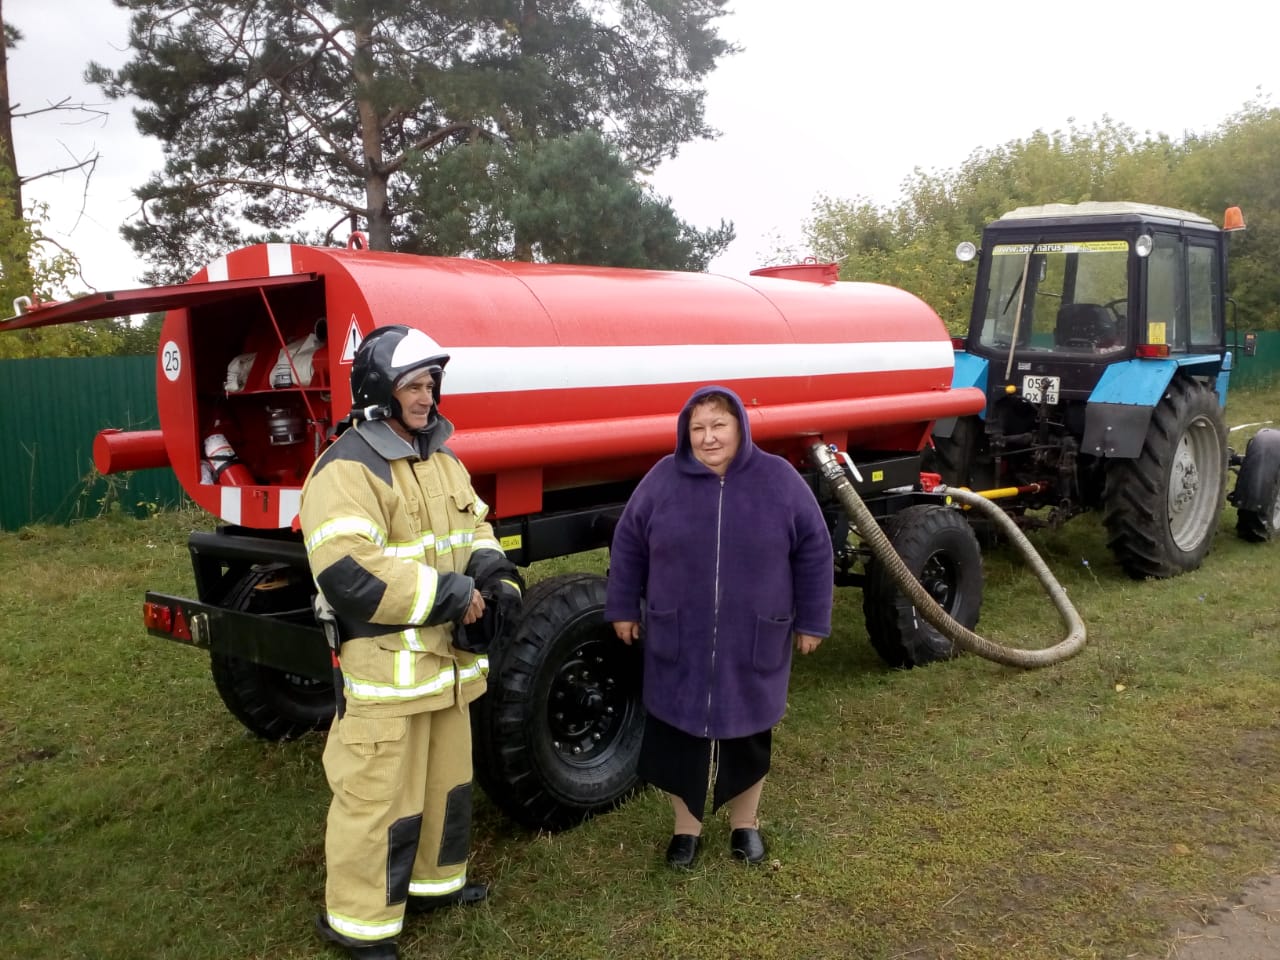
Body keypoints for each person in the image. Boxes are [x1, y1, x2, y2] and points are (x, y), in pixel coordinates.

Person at [299, 324, 520, 960]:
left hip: (444, 672)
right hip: (384, 673)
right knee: (376, 803)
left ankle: (435, 885)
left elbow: (477, 529)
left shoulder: (442, 458)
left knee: (445, 786)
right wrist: (454, 596)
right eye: (412, 386)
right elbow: (348, 571)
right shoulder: (345, 469)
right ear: (377, 391)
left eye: (430, 384)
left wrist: (495, 579)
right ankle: (359, 923)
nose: (426, 398)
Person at [604, 384, 834, 869]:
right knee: (677, 738)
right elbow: (628, 543)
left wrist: (813, 620)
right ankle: (685, 832)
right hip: (678, 637)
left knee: (748, 735)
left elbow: (814, 549)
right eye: (698, 429)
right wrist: (623, 606)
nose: (708, 438)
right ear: (686, 434)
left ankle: (744, 827)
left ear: (740, 428)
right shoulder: (662, 480)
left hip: (752, 638)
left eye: (718, 426)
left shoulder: (779, 479)